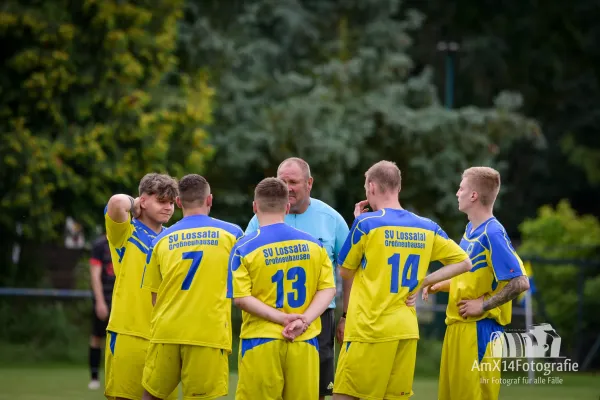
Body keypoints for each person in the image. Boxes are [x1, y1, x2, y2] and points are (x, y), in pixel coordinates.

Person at [332, 161, 473, 400]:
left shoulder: (366, 223)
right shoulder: (427, 227)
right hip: (406, 330)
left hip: (370, 329)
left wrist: (357, 222)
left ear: (372, 187)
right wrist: (424, 281)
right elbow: (464, 263)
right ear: (399, 188)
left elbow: (345, 271)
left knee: (345, 396)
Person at [244, 157, 348, 399]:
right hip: (268, 315)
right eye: (283, 181)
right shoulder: (259, 218)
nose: (287, 187)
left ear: (309, 183)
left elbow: (349, 270)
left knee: (314, 391)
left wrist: (346, 316)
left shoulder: (331, 219)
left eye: (294, 182)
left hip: (317, 318)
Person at [424, 167, 530, 400]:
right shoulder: (470, 229)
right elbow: (478, 278)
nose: (456, 193)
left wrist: (483, 306)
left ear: (473, 195)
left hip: (480, 331)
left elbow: (520, 282)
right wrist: (443, 284)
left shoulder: (493, 233)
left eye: (461, 188)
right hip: (457, 328)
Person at [140, 174, 244, 400]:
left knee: (151, 395)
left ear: (178, 202)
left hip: (166, 330)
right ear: (210, 200)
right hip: (207, 332)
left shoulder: (159, 240)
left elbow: (154, 297)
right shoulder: (233, 235)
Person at [103, 173, 179, 400]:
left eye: (171, 203)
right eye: (161, 201)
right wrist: (135, 204)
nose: (168, 207)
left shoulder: (173, 238)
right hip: (130, 334)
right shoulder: (125, 232)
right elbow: (117, 202)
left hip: (166, 338)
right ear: (143, 200)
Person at [88, 233, 115, 390]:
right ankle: (94, 377)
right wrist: (100, 302)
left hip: (122, 300)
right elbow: (95, 275)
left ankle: (114, 376)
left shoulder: (130, 239)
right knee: (97, 337)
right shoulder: (100, 245)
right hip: (104, 298)